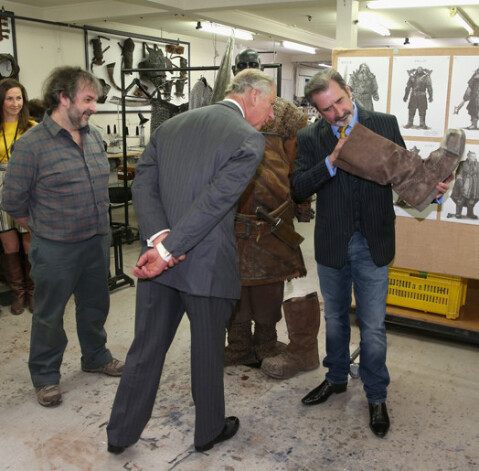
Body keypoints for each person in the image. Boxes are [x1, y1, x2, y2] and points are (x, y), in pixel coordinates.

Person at [106, 68, 276, 454]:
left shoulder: (172, 126)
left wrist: (158, 238)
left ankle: (119, 435)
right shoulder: (247, 138)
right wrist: (169, 250)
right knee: (207, 351)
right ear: (251, 95)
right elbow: (214, 203)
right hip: (205, 266)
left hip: (156, 265)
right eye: (269, 105)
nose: (269, 115)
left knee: (145, 350)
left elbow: (143, 183)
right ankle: (208, 431)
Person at [291, 69, 451, 439]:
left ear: (349, 92)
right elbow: (298, 187)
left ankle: (376, 395)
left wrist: (434, 189)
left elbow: (406, 179)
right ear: (317, 110)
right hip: (333, 241)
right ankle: (336, 379)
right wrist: (331, 161)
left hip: (373, 240)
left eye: (340, 103)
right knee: (334, 318)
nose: (337, 113)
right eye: (326, 110)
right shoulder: (309, 137)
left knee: (374, 326)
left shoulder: (384, 124)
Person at [1, 66, 124, 407]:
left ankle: (96, 356)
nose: (93, 108)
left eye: (94, 100)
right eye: (87, 100)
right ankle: (44, 375)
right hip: (55, 247)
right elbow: (12, 202)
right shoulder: (31, 145)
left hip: (96, 240)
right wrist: (44, 229)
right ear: (63, 98)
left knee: (95, 305)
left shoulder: (95, 136)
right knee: (49, 314)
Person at [225, 48, 321, 381]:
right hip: (232, 213)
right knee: (233, 282)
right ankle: (237, 344)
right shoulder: (223, 112)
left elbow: (297, 162)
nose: (249, 70)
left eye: (254, 65)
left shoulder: (287, 113)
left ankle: (265, 342)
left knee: (269, 284)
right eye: (244, 66)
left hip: (274, 212)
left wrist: (298, 200)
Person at [0, 78, 36, 315]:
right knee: (9, 243)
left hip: (27, 186)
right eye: (10, 98)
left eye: (19, 98)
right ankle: (18, 293)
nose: (15, 103)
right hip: (0, 187)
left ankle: (34, 292)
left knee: (28, 242)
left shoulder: (33, 127)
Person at [451, 150, 479, 219]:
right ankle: (458, 213)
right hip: (464, 185)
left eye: (474, 156)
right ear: (468, 157)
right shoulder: (462, 164)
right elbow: (458, 174)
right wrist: (460, 184)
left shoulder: (478, 164)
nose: (473, 158)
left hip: (474, 187)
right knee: (460, 200)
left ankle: (470, 214)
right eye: (472, 156)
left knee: (471, 201)